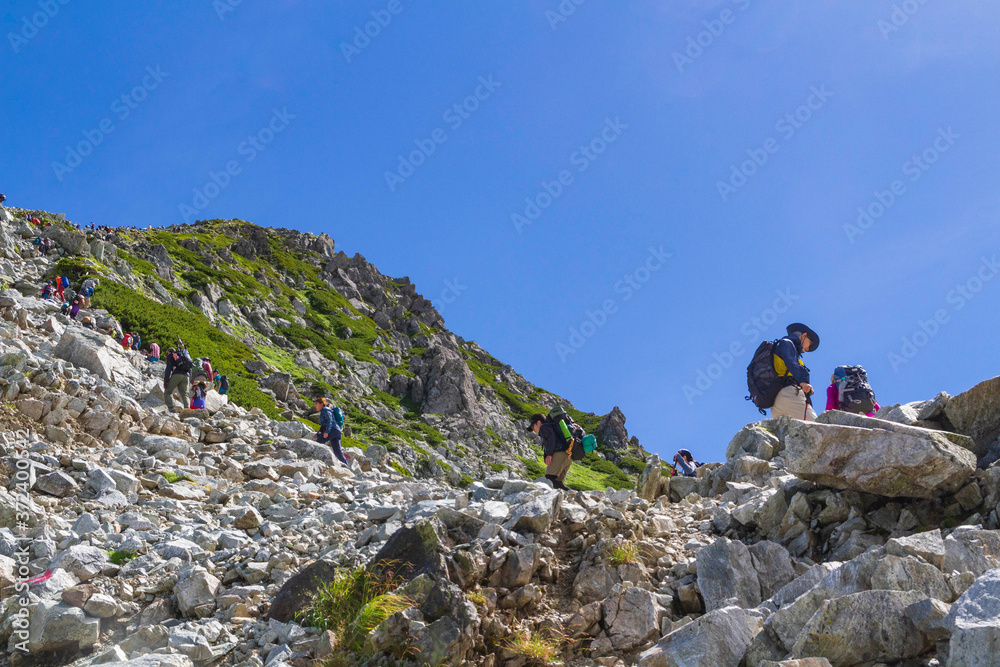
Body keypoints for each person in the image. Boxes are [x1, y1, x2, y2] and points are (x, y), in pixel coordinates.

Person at [771, 323, 820, 421]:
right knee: (818, 429)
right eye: (809, 344)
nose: (806, 350)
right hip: (790, 396)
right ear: (804, 335)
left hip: (775, 403)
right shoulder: (787, 343)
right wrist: (803, 381)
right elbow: (791, 362)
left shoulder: (780, 346)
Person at [527, 413, 572, 490]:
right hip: (568, 456)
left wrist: (549, 454)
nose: (533, 430)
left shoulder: (544, 427)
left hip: (559, 454)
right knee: (557, 484)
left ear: (538, 422)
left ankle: (571, 492)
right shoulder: (551, 427)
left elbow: (552, 439)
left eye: (533, 426)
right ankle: (571, 493)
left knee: (549, 480)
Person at [315, 398, 348, 465]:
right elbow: (323, 426)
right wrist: (317, 434)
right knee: (337, 452)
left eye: (316, 404)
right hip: (336, 431)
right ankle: (346, 466)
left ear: (321, 404)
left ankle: (317, 460)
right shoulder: (324, 411)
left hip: (333, 430)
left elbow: (329, 421)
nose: (315, 405)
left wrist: (327, 432)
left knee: (319, 442)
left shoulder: (325, 410)